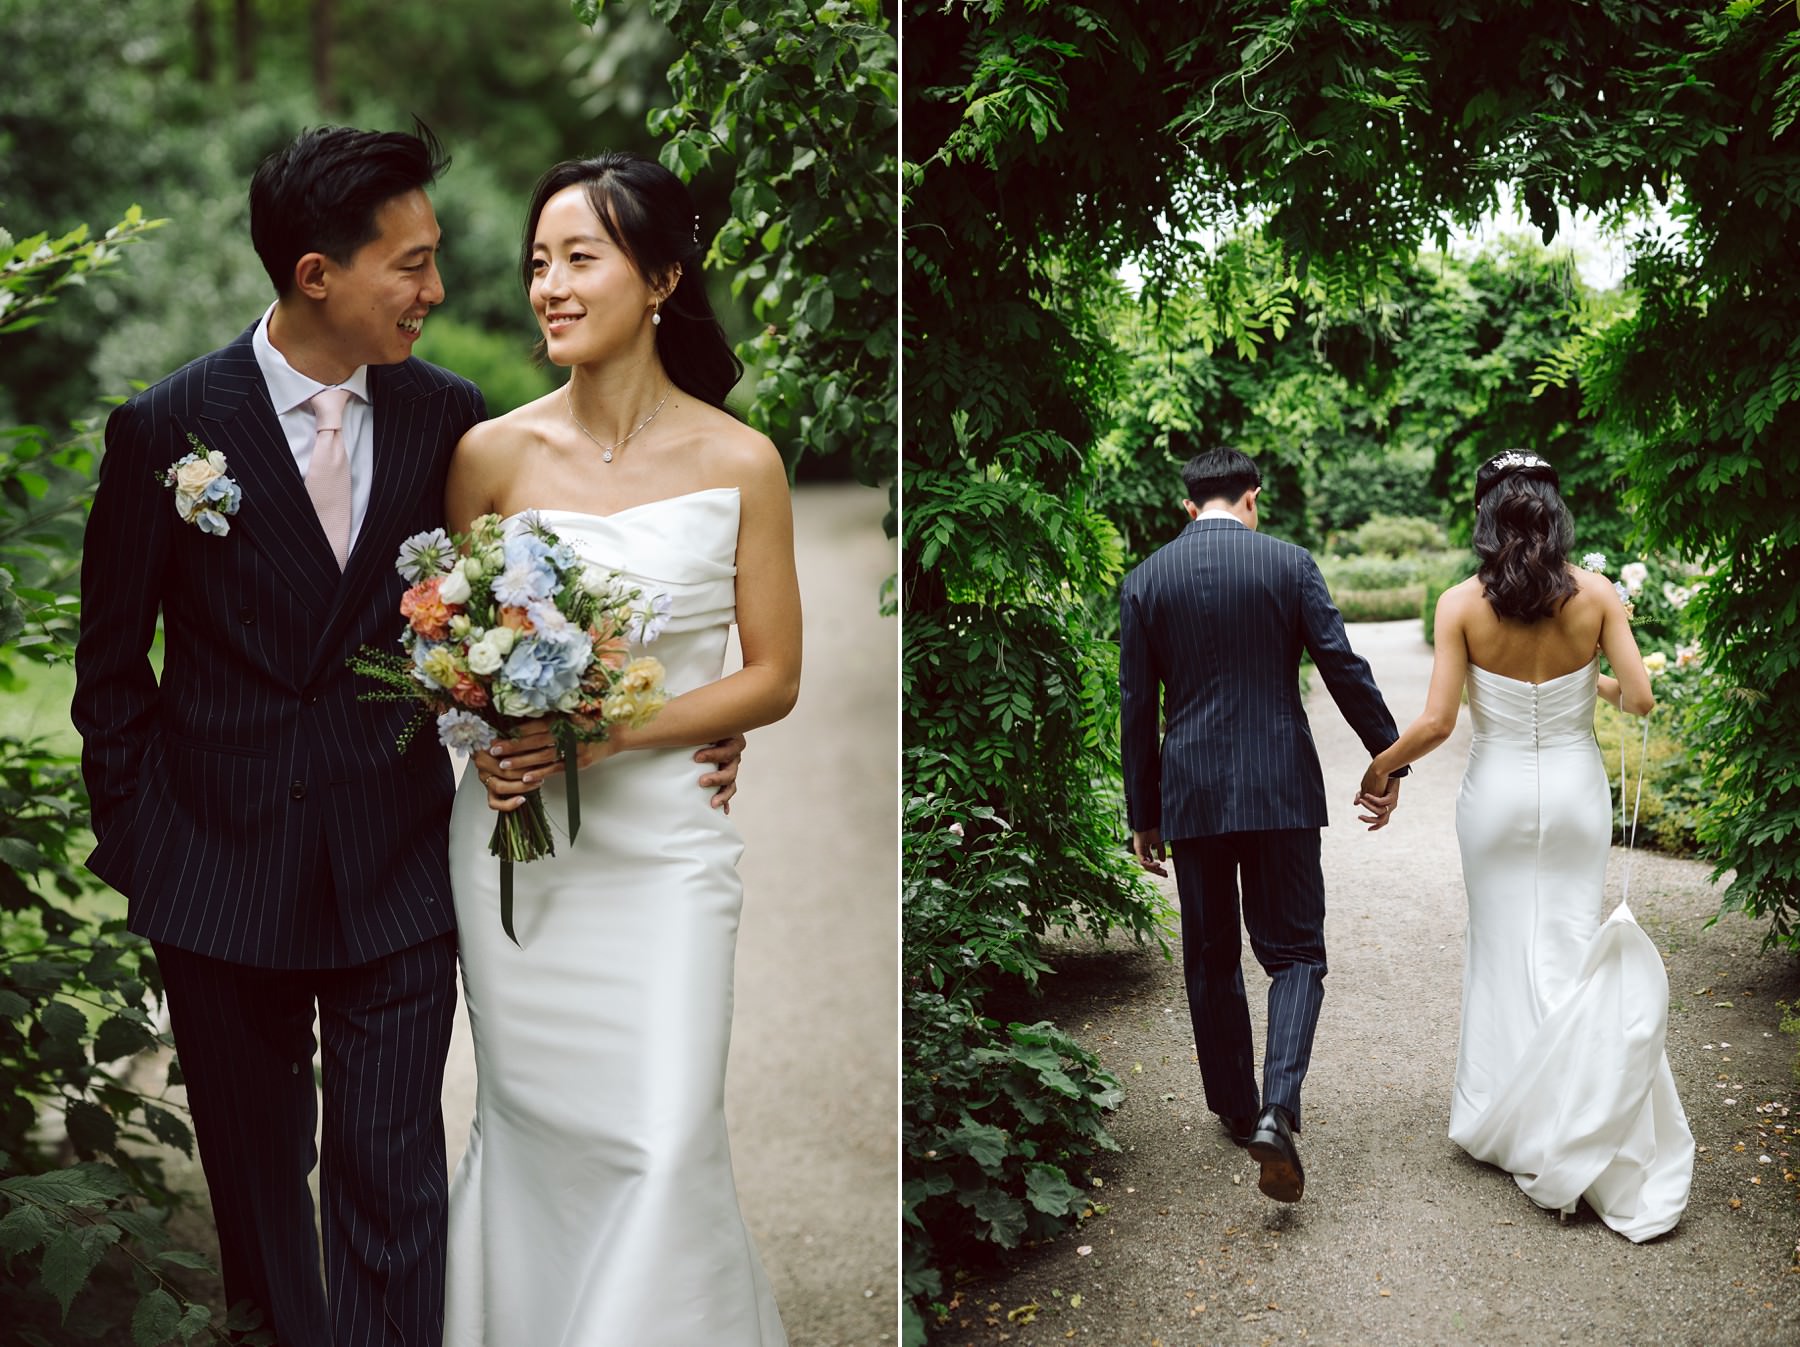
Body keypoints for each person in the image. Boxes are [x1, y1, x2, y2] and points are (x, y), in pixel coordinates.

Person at [71, 125, 743, 1347]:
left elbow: (513, 612)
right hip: (217, 876)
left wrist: (656, 709)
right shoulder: (166, 430)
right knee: (262, 1198)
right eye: (413, 265)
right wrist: (146, 854)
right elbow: (109, 676)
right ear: (318, 274)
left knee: (395, 1186)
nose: (438, 289)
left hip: (395, 864)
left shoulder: (449, 421)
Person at [439, 152, 801, 1344]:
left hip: (667, 851)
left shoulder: (742, 460)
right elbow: (451, 654)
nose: (548, 284)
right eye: (538, 262)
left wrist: (603, 729)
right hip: (525, 850)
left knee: (663, 1134)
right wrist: (482, 748)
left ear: (662, 278)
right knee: (536, 1130)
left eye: (578, 258)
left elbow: (773, 676)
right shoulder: (492, 456)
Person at [1358, 451, 1693, 1240]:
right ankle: (1580, 1110)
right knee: (1573, 945)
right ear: (1554, 511)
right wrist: (1595, 683)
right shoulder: (1599, 596)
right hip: (1574, 792)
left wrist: (1381, 765)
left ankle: (1506, 1112)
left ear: (1485, 517)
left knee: (1504, 947)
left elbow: (1438, 723)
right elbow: (1640, 696)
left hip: (1497, 795)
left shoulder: (1459, 605)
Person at [1119, 447, 1407, 1205]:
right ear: (1254, 498)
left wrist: (1143, 813)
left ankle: (1237, 1108)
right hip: (1280, 785)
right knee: (1296, 952)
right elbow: (1342, 664)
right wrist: (1389, 758)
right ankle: (1279, 1107)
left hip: (1194, 794)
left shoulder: (1146, 579)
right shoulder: (1289, 565)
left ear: (1188, 508)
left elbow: (1136, 708)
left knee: (1211, 955)